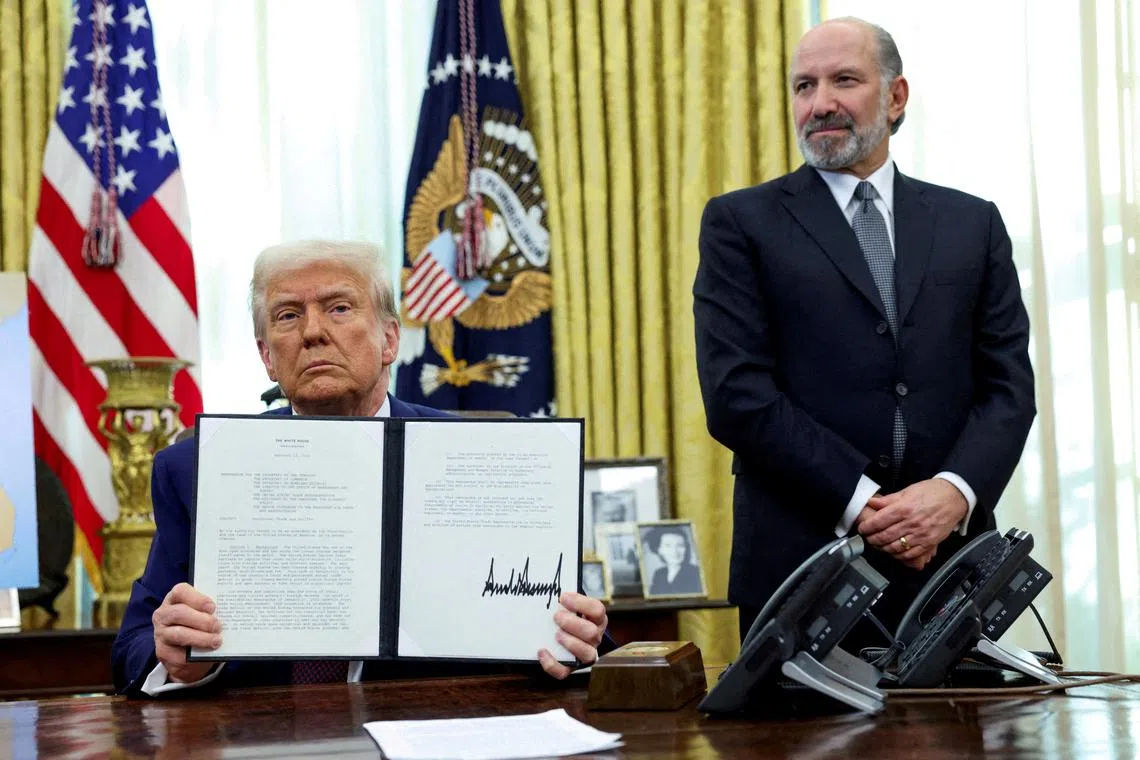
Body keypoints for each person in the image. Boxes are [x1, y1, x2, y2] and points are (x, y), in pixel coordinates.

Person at [112, 241, 609, 695]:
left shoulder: (491, 457)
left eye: (339, 308)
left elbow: (578, 635)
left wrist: (578, 642)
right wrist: (178, 659)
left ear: (390, 340)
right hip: (257, 736)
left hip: (439, 728)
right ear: (267, 357)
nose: (312, 332)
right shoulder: (195, 469)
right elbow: (131, 651)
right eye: (287, 316)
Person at [693, 18, 1036, 643]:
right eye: (804, 86)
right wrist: (865, 504)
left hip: (951, 569)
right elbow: (737, 396)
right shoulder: (739, 224)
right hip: (801, 573)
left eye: (843, 80)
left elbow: (1008, 389)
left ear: (896, 96)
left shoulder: (973, 224)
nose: (820, 103)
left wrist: (952, 494)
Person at [644, 527, 703, 596]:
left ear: (686, 549)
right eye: (668, 546)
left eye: (680, 545)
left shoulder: (695, 572)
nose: (675, 551)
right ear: (659, 550)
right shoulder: (659, 574)